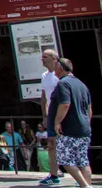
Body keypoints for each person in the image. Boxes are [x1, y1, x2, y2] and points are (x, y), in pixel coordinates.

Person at [51, 57, 93, 188]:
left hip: (69, 128)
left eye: (56, 67)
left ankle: (84, 185)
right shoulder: (82, 84)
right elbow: (89, 109)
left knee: (65, 159)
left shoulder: (63, 83)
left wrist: (57, 122)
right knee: (83, 161)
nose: (54, 70)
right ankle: (86, 185)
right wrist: (86, 123)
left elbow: (65, 104)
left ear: (61, 68)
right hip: (84, 128)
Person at [39, 49, 62, 185]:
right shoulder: (44, 75)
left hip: (62, 113)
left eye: (45, 57)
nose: (42, 59)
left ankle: (80, 174)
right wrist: (44, 115)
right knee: (52, 144)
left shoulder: (61, 75)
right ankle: (54, 175)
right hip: (51, 114)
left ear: (54, 59)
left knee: (69, 144)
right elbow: (44, 97)